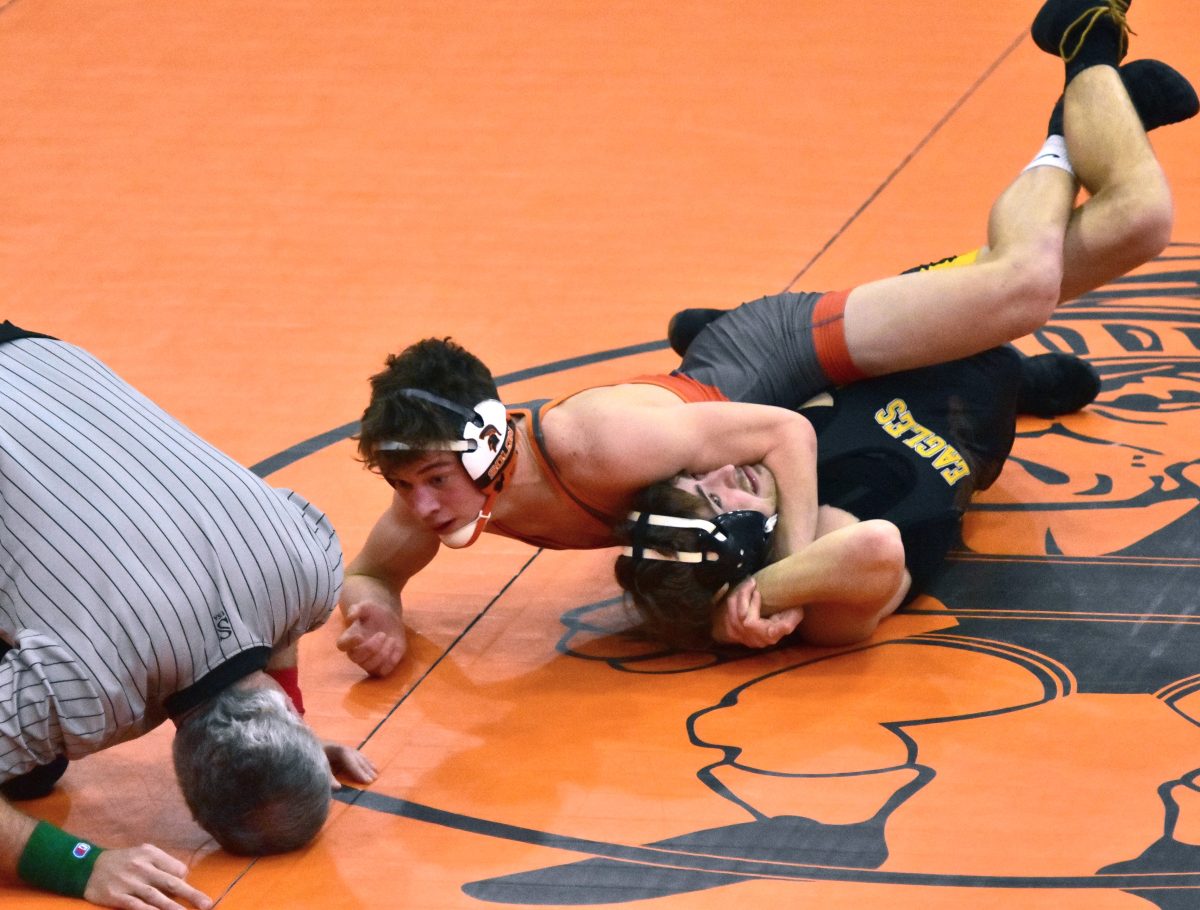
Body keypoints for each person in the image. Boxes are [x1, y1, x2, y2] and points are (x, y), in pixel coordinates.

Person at [338, 0, 1197, 676]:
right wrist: (375, 606)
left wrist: (778, 572)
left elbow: (782, 430)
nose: (419, 506)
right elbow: (371, 570)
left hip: (775, 360)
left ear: (486, 441)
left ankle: (1080, 54)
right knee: (1137, 224)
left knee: (1020, 287)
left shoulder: (594, 441)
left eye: (431, 479)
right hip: (741, 404)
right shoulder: (450, 498)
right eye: (408, 485)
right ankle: (1080, 155)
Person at [0, 322, 378, 910]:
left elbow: (278, 626)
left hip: (32, 357)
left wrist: (287, 730)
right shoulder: (84, 692)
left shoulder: (310, 572)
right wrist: (78, 866)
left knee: (29, 775)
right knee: (26, 772)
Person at [614, 346, 1029, 651]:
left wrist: (720, 615)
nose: (725, 471)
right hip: (977, 390)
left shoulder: (760, 466)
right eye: (718, 500)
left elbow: (788, 431)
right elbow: (877, 545)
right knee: (1015, 315)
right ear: (737, 553)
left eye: (699, 477)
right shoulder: (821, 615)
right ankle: (1035, 382)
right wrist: (760, 595)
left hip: (878, 351)